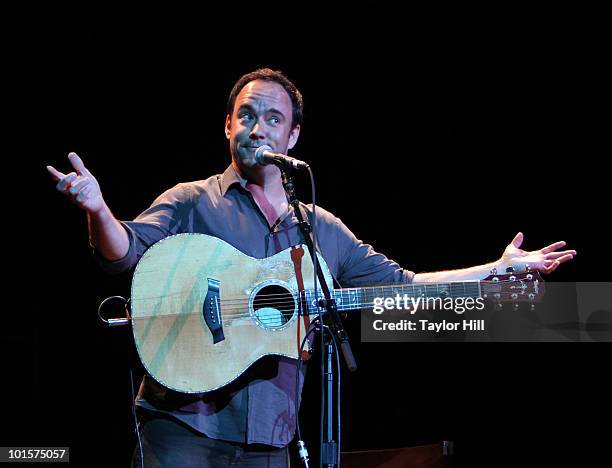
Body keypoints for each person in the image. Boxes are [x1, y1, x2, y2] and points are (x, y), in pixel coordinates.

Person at [47, 68, 576, 467]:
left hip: (272, 434)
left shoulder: (319, 228)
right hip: (183, 425)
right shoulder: (192, 200)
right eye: (247, 115)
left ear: (293, 136)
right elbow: (124, 256)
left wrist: (495, 271)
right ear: (228, 124)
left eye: (273, 118)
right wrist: (97, 209)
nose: (258, 128)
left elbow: (405, 287)